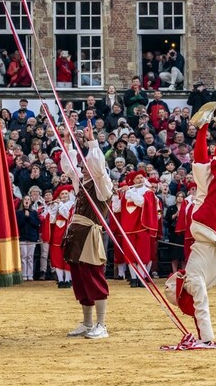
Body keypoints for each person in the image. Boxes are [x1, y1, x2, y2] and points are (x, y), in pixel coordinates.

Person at [163, 104, 216, 350]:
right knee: (202, 173)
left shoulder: (195, 282)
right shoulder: (195, 279)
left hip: (206, 228)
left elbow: (201, 306)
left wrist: (206, 338)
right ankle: (203, 126)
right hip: (204, 228)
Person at [61, 125, 113, 340]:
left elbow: (98, 166)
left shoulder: (102, 185)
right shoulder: (82, 184)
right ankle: (87, 322)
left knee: (94, 277)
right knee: (80, 279)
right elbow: (68, 166)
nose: (82, 167)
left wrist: (92, 143)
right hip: (76, 234)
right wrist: (67, 143)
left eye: (85, 165)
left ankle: (101, 324)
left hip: (90, 235)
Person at [118, 171, 159, 287]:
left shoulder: (148, 192)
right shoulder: (127, 193)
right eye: (137, 178)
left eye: (142, 178)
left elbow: (141, 203)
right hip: (129, 227)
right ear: (133, 181)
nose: (140, 180)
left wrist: (129, 191)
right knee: (130, 255)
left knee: (143, 254)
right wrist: (117, 195)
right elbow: (117, 209)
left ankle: (141, 278)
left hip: (142, 227)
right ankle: (134, 278)